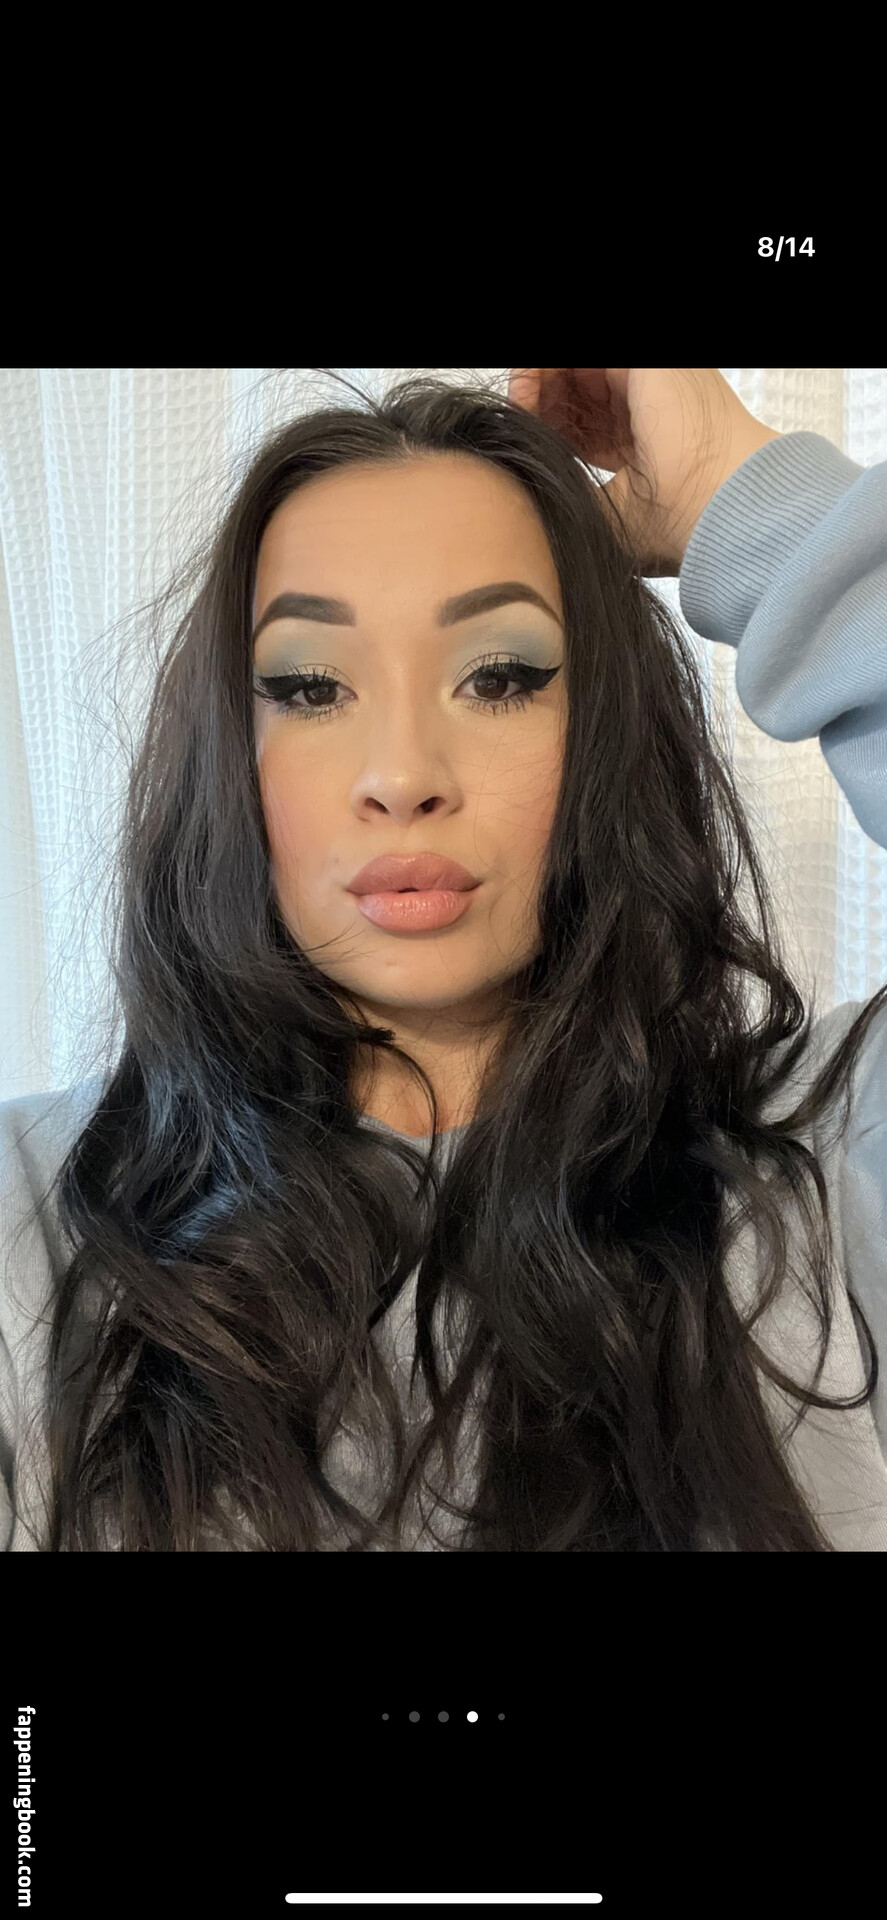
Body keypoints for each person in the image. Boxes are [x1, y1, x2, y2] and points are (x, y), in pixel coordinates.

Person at [1, 367, 886, 1553]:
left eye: (498, 677)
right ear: (226, 753)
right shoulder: (31, 1224)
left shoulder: (828, 1175)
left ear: (603, 732)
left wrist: (741, 493)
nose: (402, 774)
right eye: (309, 687)